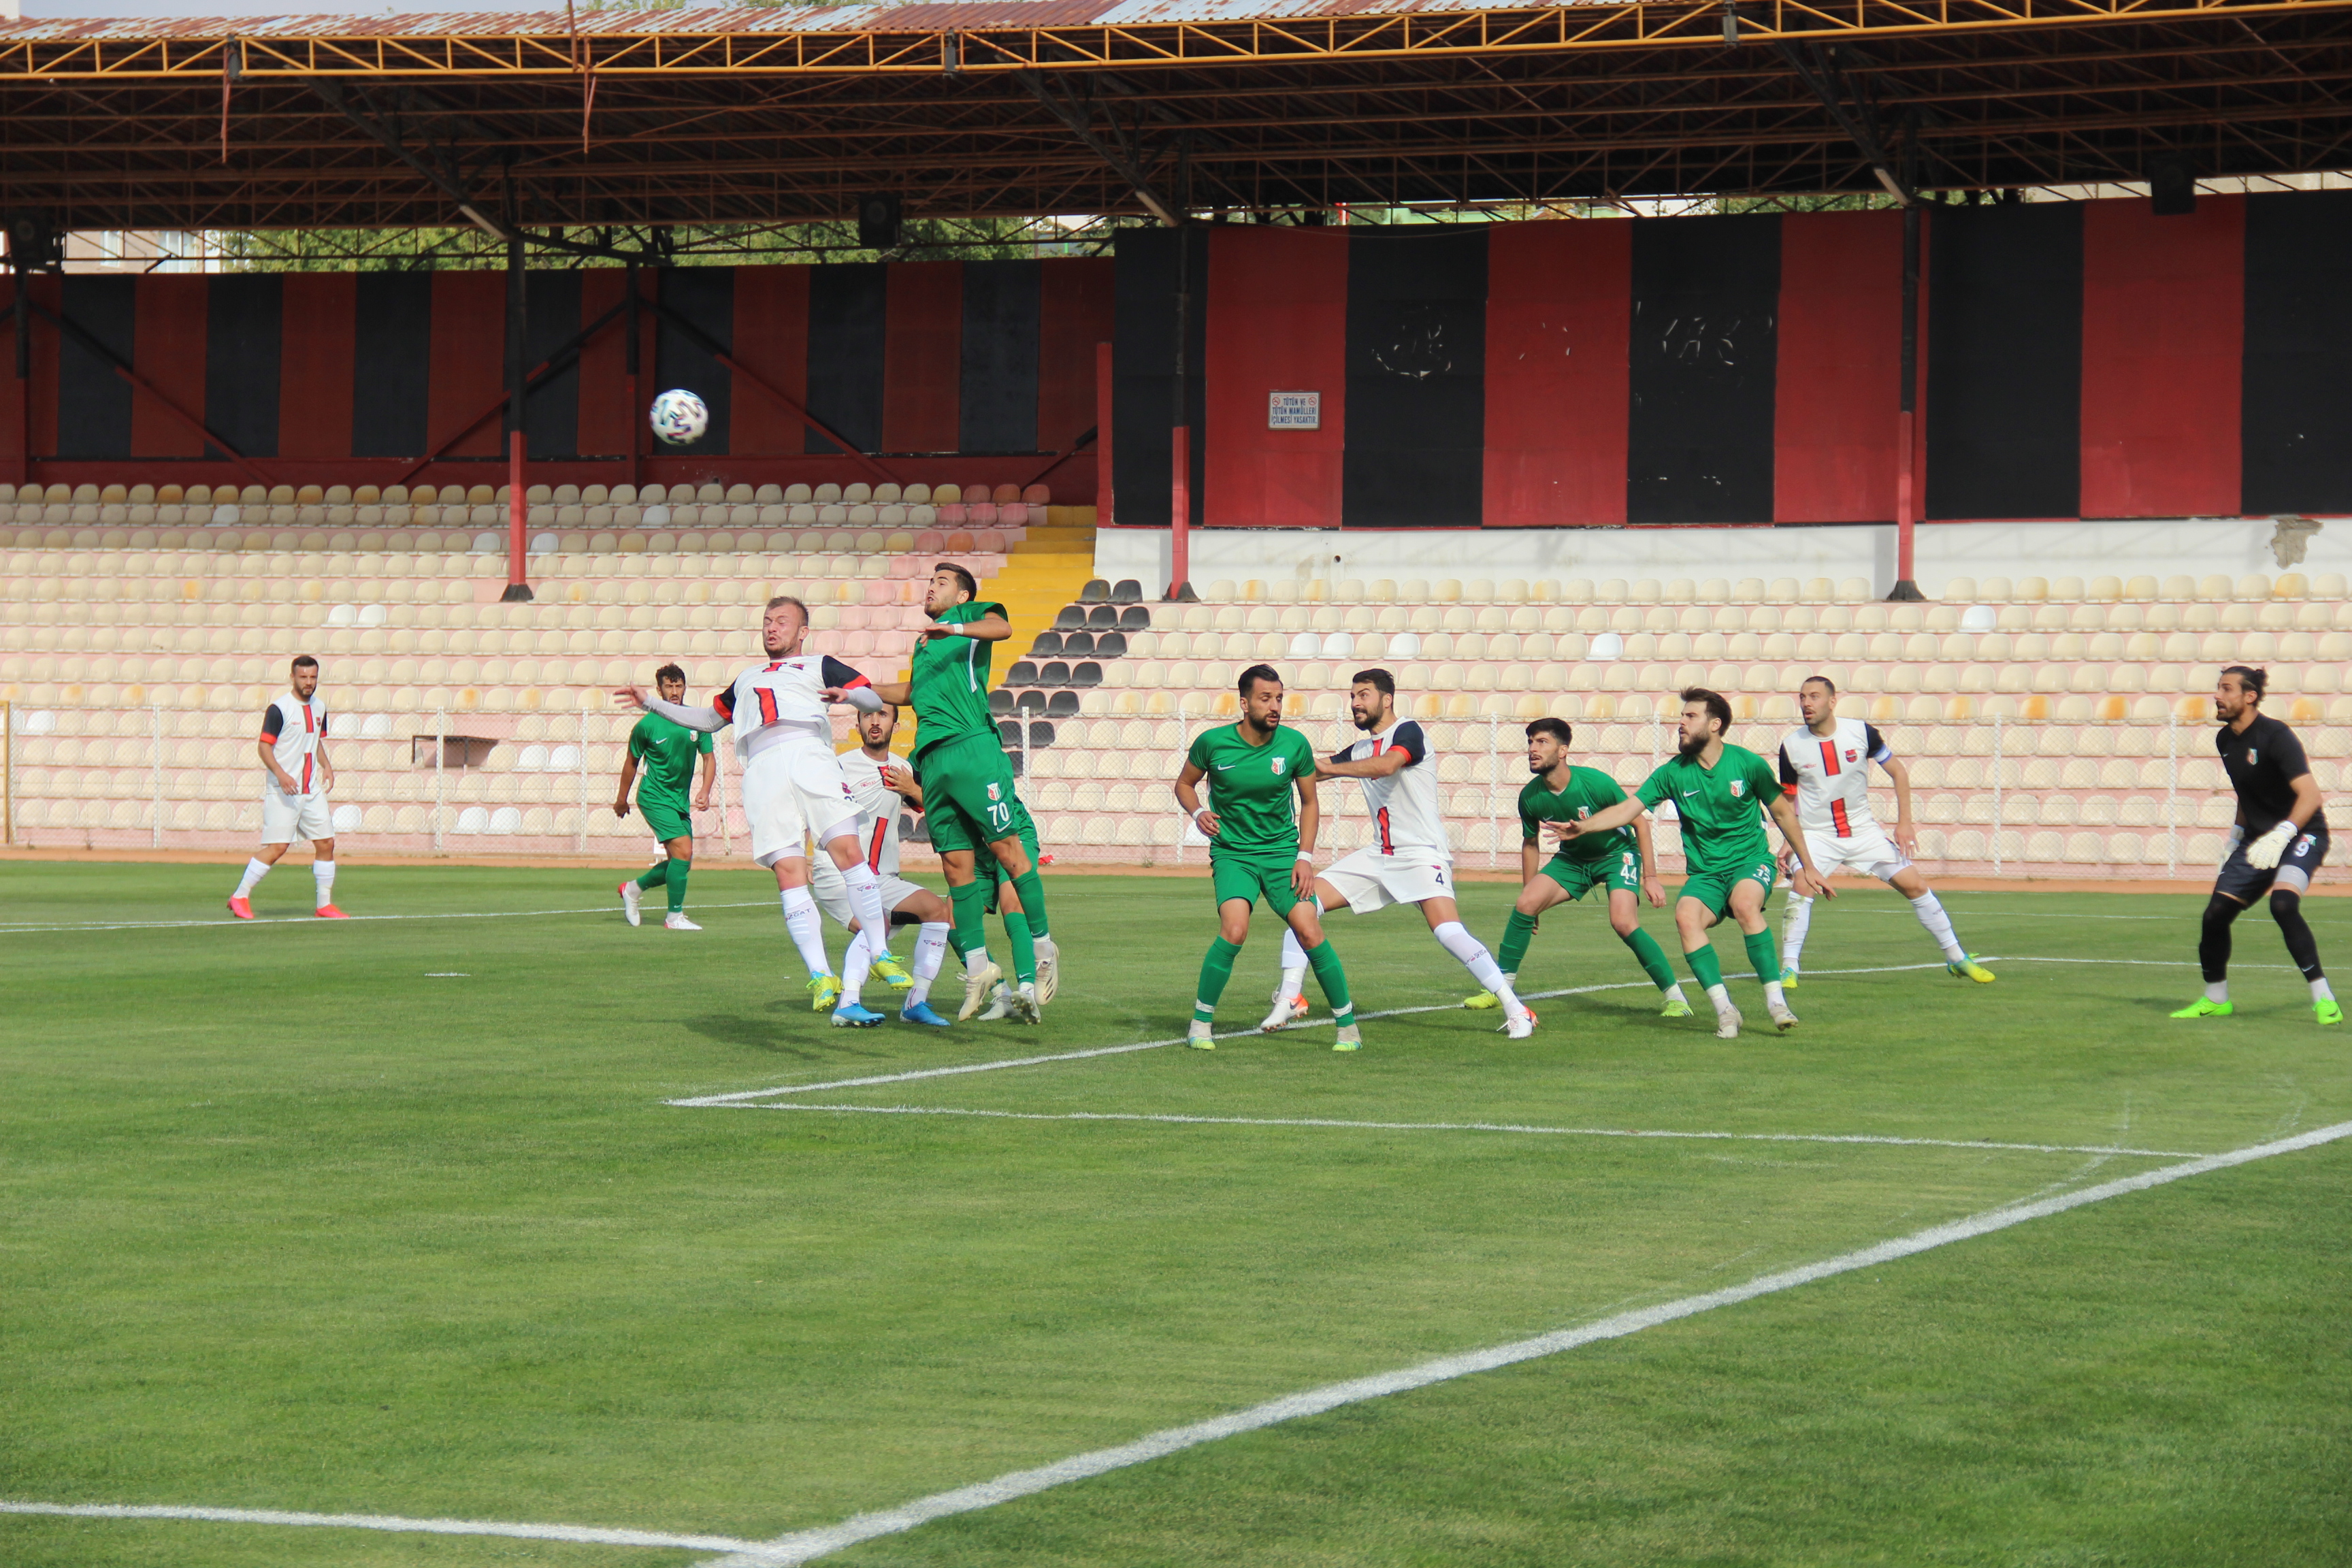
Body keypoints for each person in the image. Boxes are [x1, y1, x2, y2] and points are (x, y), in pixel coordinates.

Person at [614, 595, 906, 1025]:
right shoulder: (746, 678)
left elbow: (867, 696)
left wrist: (850, 696)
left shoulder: (820, 664)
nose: (771, 628)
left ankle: (880, 952)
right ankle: (820, 974)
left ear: (803, 632)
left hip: (809, 753)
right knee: (789, 871)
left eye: (782, 621)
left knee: (848, 851)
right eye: (767, 621)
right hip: (763, 767)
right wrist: (650, 703)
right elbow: (708, 719)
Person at [1264, 669, 1534, 1039]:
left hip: (1421, 853)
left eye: (1364, 695)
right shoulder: (1359, 749)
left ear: (1387, 699)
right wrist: (1272, 762)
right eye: (1353, 696)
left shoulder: (1409, 732)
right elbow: (1312, 771)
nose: (1355, 703)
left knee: (1448, 932)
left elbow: (1388, 764)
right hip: (1380, 854)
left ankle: (1516, 1009)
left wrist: (1329, 768)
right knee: (1302, 907)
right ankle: (1292, 996)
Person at [1553, 687, 1829, 1039]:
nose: (1681, 723)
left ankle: (1777, 1003)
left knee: (1745, 904)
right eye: (1682, 716)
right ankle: (1726, 1011)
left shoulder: (1747, 764)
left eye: (1690, 716)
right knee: (1685, 917)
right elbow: (1628, 809)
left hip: (1749, 861)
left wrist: (1809, 865)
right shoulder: (1672, 773)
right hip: (1706, 873)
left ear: (1715, 724)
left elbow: (1784, 814)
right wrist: (1584, 826)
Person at [867, 564, 1056, 1024]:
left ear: (962, 595)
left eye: (941, 583)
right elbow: (914, 691)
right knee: (954, 867)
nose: (930, 588)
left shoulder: (969, 620)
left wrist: (952, 626)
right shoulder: (924, 644)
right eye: (930, 582)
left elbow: (1003, 627)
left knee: (1007, 851)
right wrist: (860, 691)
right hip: (933, 759)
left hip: (971, 747)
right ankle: (979, 969)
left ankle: (1042, 945)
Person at [1173, 665, 1359, 1050]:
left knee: (1309, 930)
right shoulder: (1212, 743)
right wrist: (1198, 812)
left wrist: (1304, 856)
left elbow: (1310, 803)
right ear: (1244, 703)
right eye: (1265, 699)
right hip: (1234, 854)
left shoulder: (1294, 745)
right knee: (1234, 930)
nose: (1275, 706)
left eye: (1279, 698)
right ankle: (1200, 1024)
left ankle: (1348, 1028)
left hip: (1282, 855)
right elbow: (1184, 784)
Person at [1463, 717, 1693, 1019]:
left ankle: (1676, 999)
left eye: (1542, 742)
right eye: (1530, 742)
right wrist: (1532, 896)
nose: (1532, 749)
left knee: (1623, 922)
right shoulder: (1530, 796)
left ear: (1563, 751)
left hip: (1617, 855)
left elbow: (1639, 823)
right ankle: (1500, 990)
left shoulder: (1595, 783)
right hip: (1573, 860)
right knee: (1525, 904)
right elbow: (1530, 843)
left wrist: (1651, 877)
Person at [1774, 676, 1994, 987]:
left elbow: (1898, 772)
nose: (1806, 703)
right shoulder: (1792, 746)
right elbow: (1789, 798)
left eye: (1814, 696)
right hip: (1817, 835)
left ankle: (1957, 958)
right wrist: (1789, 840)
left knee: (1915, 885)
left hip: (1863, 831)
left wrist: (1905, 823)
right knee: (1802, 884)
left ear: (1832, 702)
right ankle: (1789, 969)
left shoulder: (1861, 733)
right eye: (1802, 697)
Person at [2171, 664, 2338, 1024]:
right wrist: (2235, 838)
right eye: (2218, 688)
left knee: (2283, 904)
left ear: (2249, 697)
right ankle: (2216, 998)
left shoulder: (2276, 735)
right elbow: (2247, 794)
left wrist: (2283, 834)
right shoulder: (2225, 740)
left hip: (2303, 833)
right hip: (2256, 839)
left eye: (2226, 689)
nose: (2217, 695)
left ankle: (2323, 997)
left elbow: (2310, 795)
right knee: (2215, 915)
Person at [808, 703, 955, 1028]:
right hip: (839, 872)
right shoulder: (840, 767)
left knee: (939, 911)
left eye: (883, 715)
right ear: (858, 725)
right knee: (877, 925)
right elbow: (815, 809)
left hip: (882, 877)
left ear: (896, 726)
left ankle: (915, 1004)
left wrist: (912, 789)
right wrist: (807, 853)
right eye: (867, 716)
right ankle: (848, 1004)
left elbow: (933, 808)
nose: (875, 721)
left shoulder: (902, 769)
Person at [227, 654, 346, 919]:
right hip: (284, 790)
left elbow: (314, 740)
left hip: (310, 789)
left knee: (326, 843)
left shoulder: (319, 707)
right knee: (278, 847)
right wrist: (280, 775)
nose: (308, 682)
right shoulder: (279, 709)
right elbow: (264, 747)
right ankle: (240, 896)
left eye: (313, 677)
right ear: (292, 677)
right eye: (303, 677)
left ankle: (324, 905)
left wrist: (326, 765)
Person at [615, 662, 717, 932]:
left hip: (678, 800)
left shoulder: (696, 720)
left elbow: (709, 758)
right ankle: (674, 917)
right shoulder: (647, 725)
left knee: (681, 862)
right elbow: (631, 763)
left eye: (678, 686)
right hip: (653, 797)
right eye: (669, 686)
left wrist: (705, 790)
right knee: (684, 850)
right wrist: (621, 800)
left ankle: (632, 889)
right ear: (659, 691)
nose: (674, 691)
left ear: (685, 688)